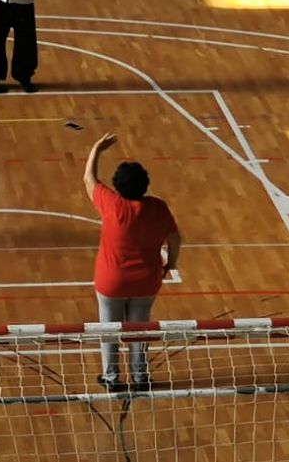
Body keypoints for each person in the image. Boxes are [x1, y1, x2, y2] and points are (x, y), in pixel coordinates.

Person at [83, 133, 182, 392]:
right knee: (139, 329)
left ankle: (111, 377)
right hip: (146, 281)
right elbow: (175, 238)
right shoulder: (158, 209)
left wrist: (96, 149)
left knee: (109, 330)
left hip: (111, 281)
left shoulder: (112, 205)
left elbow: (89, 179)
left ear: (118, 186)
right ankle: (140, 376)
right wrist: (170, 263)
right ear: (145, 185)